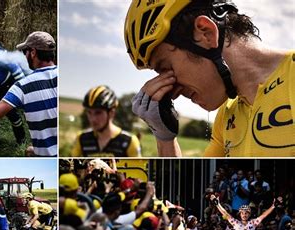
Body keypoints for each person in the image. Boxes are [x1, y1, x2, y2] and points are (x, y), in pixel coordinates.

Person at [124, 0, 294, 157]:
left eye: (166, 68)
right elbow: (190, 188)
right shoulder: (227, 113)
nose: (171, 90)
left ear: (206, 33)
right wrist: (165, 138)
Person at [71, 85, 141, 157]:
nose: (93, 119)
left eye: (98, 113)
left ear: (111, 113)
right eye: (89, 112)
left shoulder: (129, 141)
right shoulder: (81, 138)